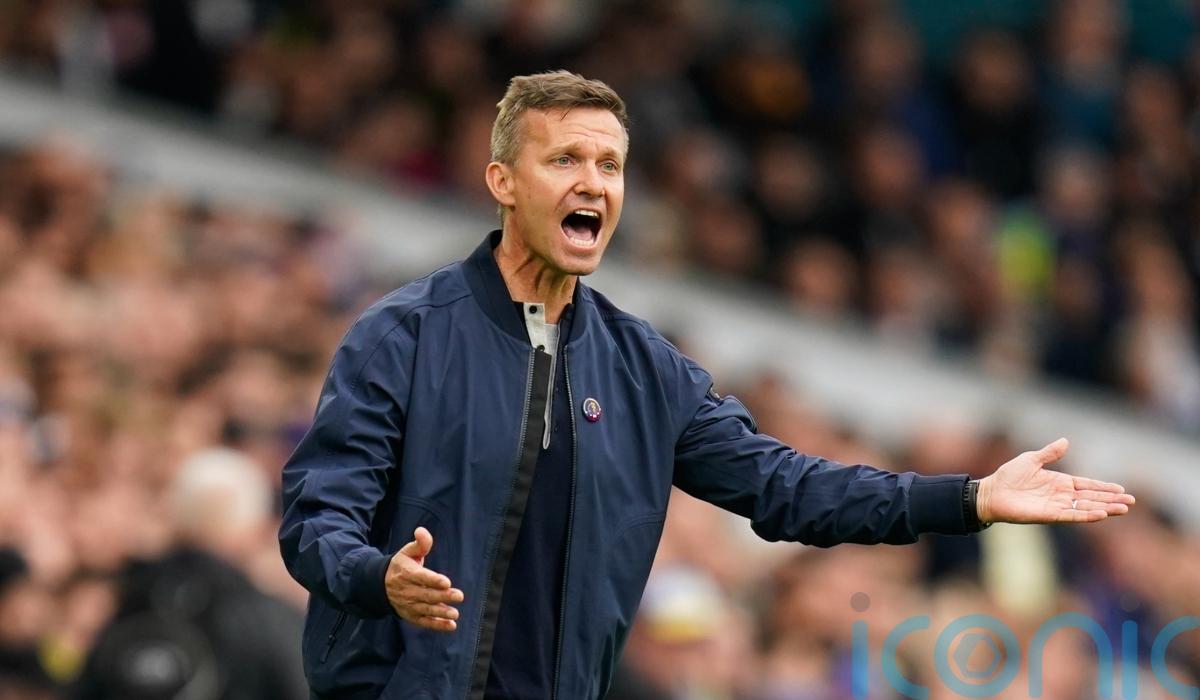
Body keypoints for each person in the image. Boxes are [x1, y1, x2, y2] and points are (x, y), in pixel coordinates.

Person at [278, 71, 1135, 700]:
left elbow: (787, 488)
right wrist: (377, 577)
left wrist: (970, 498)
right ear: (502, 181)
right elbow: (317, 519)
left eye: (610, 165)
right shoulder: (403, 335)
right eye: (565, 159)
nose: (592, 183)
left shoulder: (646, 369)